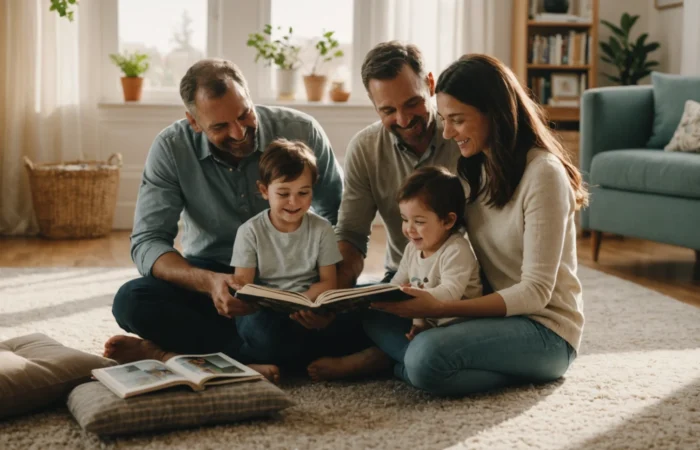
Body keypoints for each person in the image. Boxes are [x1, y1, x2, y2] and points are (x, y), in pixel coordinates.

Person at [356, 54, 587, 396]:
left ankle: (412, 365)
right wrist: (414, 295)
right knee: (369, 307)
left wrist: (441, 307)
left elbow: (536, 293)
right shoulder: (472, 170)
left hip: (545, 330)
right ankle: (431, 363)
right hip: (490, 320)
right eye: (445, 119)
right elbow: (445, 243)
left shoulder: (543, 174)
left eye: (457, 120)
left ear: (494, 113)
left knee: (425, 357)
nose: (447, 133)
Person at [103, 59, 344, 383]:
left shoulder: (301, 130)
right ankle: (247, 355)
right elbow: (148, 241)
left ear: (248, 96)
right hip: (210, 274)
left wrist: (329, 289)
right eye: (220, 127)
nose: (239, 132)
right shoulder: (172, 148)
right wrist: (208, 281)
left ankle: (170, 354)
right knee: (131, 302)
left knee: (331, 324)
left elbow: (341, 214)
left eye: (244, 114)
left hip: (290, 279)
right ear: (194, 122)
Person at [308, 166, 483, 381]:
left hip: (456, 327)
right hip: (426, 323)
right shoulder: (412, 248)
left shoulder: (457, 250)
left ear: (448, 221)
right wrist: (375, 298)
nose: (409, 229)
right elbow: (397, 282)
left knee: (425, 349)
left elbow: (449, 294)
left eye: (419, 222)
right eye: (404, 219)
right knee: (372, 316)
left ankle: (390, 363)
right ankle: (397, 360)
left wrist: (411, 304)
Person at [230, 139, 370, 369]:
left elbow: (328, 283)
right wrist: (277, 303)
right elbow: (243, 287)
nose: (294, 202)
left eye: (303, 193)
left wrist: (307, 303)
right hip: (269, 314)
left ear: (312, 189)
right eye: (283, 193)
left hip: (311, 307)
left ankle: (274, 360)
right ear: (264, 191)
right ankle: (288, 359)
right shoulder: (249, 231)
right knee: (259, 330)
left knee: (364, 314)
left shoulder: (322, 229)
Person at [333, 41, 462, 290]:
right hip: (402, 279)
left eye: (413, 103)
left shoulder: (464, 138)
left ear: (431, 84)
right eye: (388, 110)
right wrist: (332, 297)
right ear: (374, 105)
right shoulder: (365, 148)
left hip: (463, 282)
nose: (403, 119)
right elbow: (351, 234)